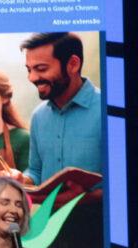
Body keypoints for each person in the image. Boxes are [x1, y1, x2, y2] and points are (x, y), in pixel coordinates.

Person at [7, 33, 102, 200]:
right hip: (49, 223)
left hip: (101, 223)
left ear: (73, 64)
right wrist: (23, 179)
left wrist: (85, 199)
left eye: (41, 69)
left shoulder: (108, 111)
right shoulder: (38, 116)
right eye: (29, 70)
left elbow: (124, 182)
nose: (32, 78)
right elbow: (36, 170)